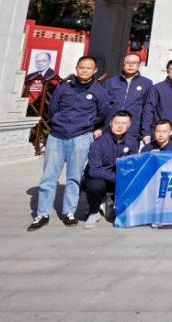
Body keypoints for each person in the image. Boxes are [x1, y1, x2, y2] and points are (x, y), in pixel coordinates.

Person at [29, 55, 106, 231]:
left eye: (88, 68)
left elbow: (102, 113)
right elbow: (52, 109)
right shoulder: (64, 87)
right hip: (57, 136)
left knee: (74, 177)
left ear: (95, 70)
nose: (84, 70)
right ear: (77, 68)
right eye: (81, 67)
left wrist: (87, 125)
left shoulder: (99, 91)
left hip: (81, 137)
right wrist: (59, 123)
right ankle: (42, 213)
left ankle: (69, 212)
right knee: (49, 177)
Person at [82, 109, 137, 229]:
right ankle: (94, 211)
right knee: (95, 186)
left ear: (129, 125)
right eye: (117, 123)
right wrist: (117, 177)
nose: (120, 126)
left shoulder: (132, 142)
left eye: (124, 123)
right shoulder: (99, 143)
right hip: (99, 177)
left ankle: (116, 206)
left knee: (134, 180)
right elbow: (94, 171)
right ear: (111, 123)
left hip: (118, 177)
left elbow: (133, 165)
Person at [101, 53, 152, 138]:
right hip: (110, 128)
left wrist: (146, 132)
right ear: (123, 64)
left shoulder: (146, 83)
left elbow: (147, 108)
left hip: (133, 129)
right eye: (128, 62)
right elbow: (102, 106)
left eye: (134, 62)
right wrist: (98, 127)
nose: (131, 65)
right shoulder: (111, 82)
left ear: (139, 65)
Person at [141, 59, 172, 144]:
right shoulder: (157, 88)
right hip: (159, 135)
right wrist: (146, 132)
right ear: (167, 70)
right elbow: (148, 110)